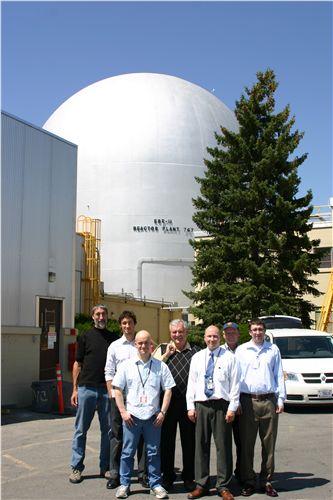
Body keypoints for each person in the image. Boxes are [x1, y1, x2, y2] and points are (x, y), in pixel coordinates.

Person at [112, 330, 176, 499]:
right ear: (135, 345)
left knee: (153, 452)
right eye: (139, 343)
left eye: (146, 343)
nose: (142, 346)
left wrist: (163, 412)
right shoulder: (126, 366)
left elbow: (168, 389)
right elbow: (117, 389)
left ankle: (155, 484)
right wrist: (123, 412)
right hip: (131, 417)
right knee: (127, 453)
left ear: (151, 345)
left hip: (153, 417)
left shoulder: (161, 366)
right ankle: (124, 484)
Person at [186, 325, 240, 500]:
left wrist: (232, 407)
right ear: (204, 338)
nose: (212, 339)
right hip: (201, 406)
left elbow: (235, 385)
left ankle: (223, 485)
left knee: (223, 447)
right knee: (201, 446)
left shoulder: (230, 358)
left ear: (220, 337)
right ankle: (201, 484)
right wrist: (190, 407)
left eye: (215, 336)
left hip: (221, 406)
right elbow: (192, 384)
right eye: (209, 336)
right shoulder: (197, 357)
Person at [235, 318, 286, 498]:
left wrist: (281, 399)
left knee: (269, 444)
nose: (257, 333)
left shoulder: (273, 349)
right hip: (247, 402)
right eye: (254, 330)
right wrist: (236, 402)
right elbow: (236, 378)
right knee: (247, 445)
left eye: (260, 330)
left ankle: (267, 481)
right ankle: (248, 480)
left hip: (269, 401)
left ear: (264, 332)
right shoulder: (241, 350)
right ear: (249, 332)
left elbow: (278, 374)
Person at [69, 304, 119, 484]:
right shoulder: (84, 336)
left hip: (107, 390)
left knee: (108, 431)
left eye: (103, 313)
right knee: (81, 430)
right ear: (93, 317)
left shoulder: (114, 338)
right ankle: (76, 468)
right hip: (86, 389)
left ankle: (104, 467)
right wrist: (75, 389)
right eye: (97, 314)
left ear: (107, 316)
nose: (101, 317)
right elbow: (77, 364)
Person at [153, 319, 201, 492]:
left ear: (186, 332)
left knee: (190, 442)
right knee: (166, 443)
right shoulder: (162, 350)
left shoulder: (196, 351)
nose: (177, 335)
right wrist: (166, 355)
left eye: (181, 332)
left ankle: (189, 476)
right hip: (168, 404)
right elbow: (153, 370)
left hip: (189, 405)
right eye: (174, 332)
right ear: (170, 333)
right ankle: (168, 477)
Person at [104, 310, 147, 489]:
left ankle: (143, 474)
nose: (127, 326)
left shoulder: (142, 344)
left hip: (139, 399)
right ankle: (115, 474)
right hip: (119, 397)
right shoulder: (114, 346)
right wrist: (112, 393)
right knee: (117, 435)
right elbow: (109, 371)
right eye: (124, 323)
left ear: (134, 324)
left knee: (142, 437)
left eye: (130, 322)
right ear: (120, 325)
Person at [222, 322, 242, 482]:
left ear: (238, 334)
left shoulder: (245, 351)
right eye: (227, 333)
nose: (230, 335)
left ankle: (242, 473)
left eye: (233, 332)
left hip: (244, 403)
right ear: (223, 335)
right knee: (224, 443)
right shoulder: (219, 352)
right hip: (225, 405)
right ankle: (225, 477)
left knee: (242, 442)